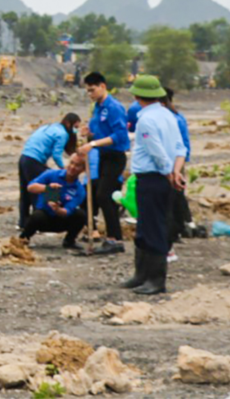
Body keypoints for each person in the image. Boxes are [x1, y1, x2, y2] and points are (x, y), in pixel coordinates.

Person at [120, 76, 186, 295]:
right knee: (145, 226)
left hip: (153, 177)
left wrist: (168, 172)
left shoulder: (146, 120)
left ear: (138, 96)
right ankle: (142, 275)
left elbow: (156, 150)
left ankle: (156, 279)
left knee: (153, 227)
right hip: (164, 177)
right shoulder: (169, 115)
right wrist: (176, 172)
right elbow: (180, 147)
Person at [77, 72, 131, 255]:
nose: (90, 94)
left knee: (104, 195)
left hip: (115, 157)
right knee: (103, 196)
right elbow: (100, 133)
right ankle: (113, 238)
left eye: (92, 90)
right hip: (103, 156)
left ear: (102, 86)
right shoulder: (97, 107)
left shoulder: (114, 107)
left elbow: (119, 136)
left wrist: (92, 144)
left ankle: (114, 239)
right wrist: (89, 134)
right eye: (88, 91)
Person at [17, 113, 82, 231]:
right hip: (34, 160)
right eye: (75, 127)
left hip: (24, 157)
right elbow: (57, 155)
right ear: (68, 123)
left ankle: (23, 222)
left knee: (24, 193)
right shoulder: (63, 134)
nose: (75, 131)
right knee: (44, 188)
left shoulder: (51, 127)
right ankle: (40, 223)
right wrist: (64, 169)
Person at [22, 154, 88, 249]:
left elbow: (68, 210)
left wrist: (57, 209)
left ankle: (69, 241)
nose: (72, 167)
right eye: (71, 163)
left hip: (61, 221)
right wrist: (47, 188)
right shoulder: (52, 174)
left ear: (83, 170)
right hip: (43, 218)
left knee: (81, 215)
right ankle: (23, 238)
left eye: (77, 165)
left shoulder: (79, 190)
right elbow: (30, 187)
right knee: (37, 215)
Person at [162, 88, 193, 262]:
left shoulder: (175, 119)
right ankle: (182, 227)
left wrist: (178, 168)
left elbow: (183, 144)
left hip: (173, 165)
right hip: (172, 165)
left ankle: (175, 234)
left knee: (173, 202)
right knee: (176, 200)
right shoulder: (173, 117)